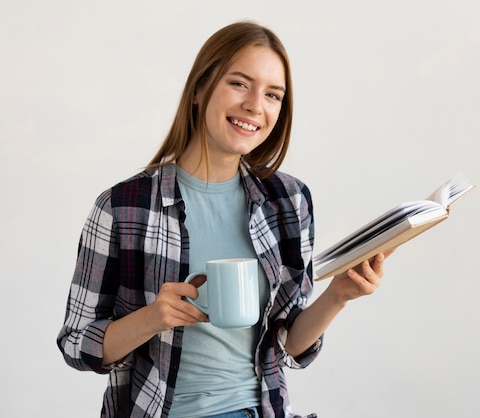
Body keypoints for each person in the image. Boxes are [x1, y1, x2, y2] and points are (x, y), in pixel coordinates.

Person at [57, 21, 391, 418]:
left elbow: (286, 342)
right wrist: (152, 318)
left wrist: (339, 296)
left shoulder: (289, 200)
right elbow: (77, 344)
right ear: (199, 89)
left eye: (273, 94)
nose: (255, 105)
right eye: (239, 83)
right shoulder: (123, 206)